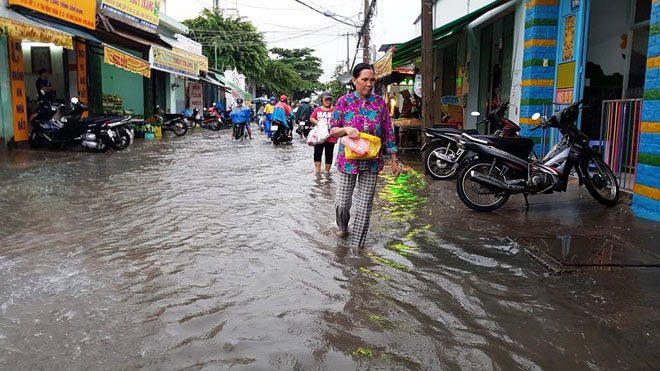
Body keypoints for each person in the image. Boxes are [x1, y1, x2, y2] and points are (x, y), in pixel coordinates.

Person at [330, 63, 402, 249]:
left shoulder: (380, 103)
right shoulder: (343, 102)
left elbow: (388, 132)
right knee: (343, 203)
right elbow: (332, 130)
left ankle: (357, 247)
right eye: (364, 80)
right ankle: (343, 227)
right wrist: (345, 129)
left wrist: (394, 160)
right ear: (354, 81)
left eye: (372, 80)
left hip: (372, 161)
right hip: (348, 162)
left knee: (364, 206)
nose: (369, 84)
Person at [310, 92, 337, 175]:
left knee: (329, 154)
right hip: (319, 136)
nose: (327, 101)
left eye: (329, 100)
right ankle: (317, 171)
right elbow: (311, 118)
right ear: (322, 100)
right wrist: (317, 122)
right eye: (325, 100)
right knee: (317, 153)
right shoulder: (317, 109)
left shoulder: (334, 110)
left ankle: (327, 172)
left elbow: (338, 120)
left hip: (331, 136)